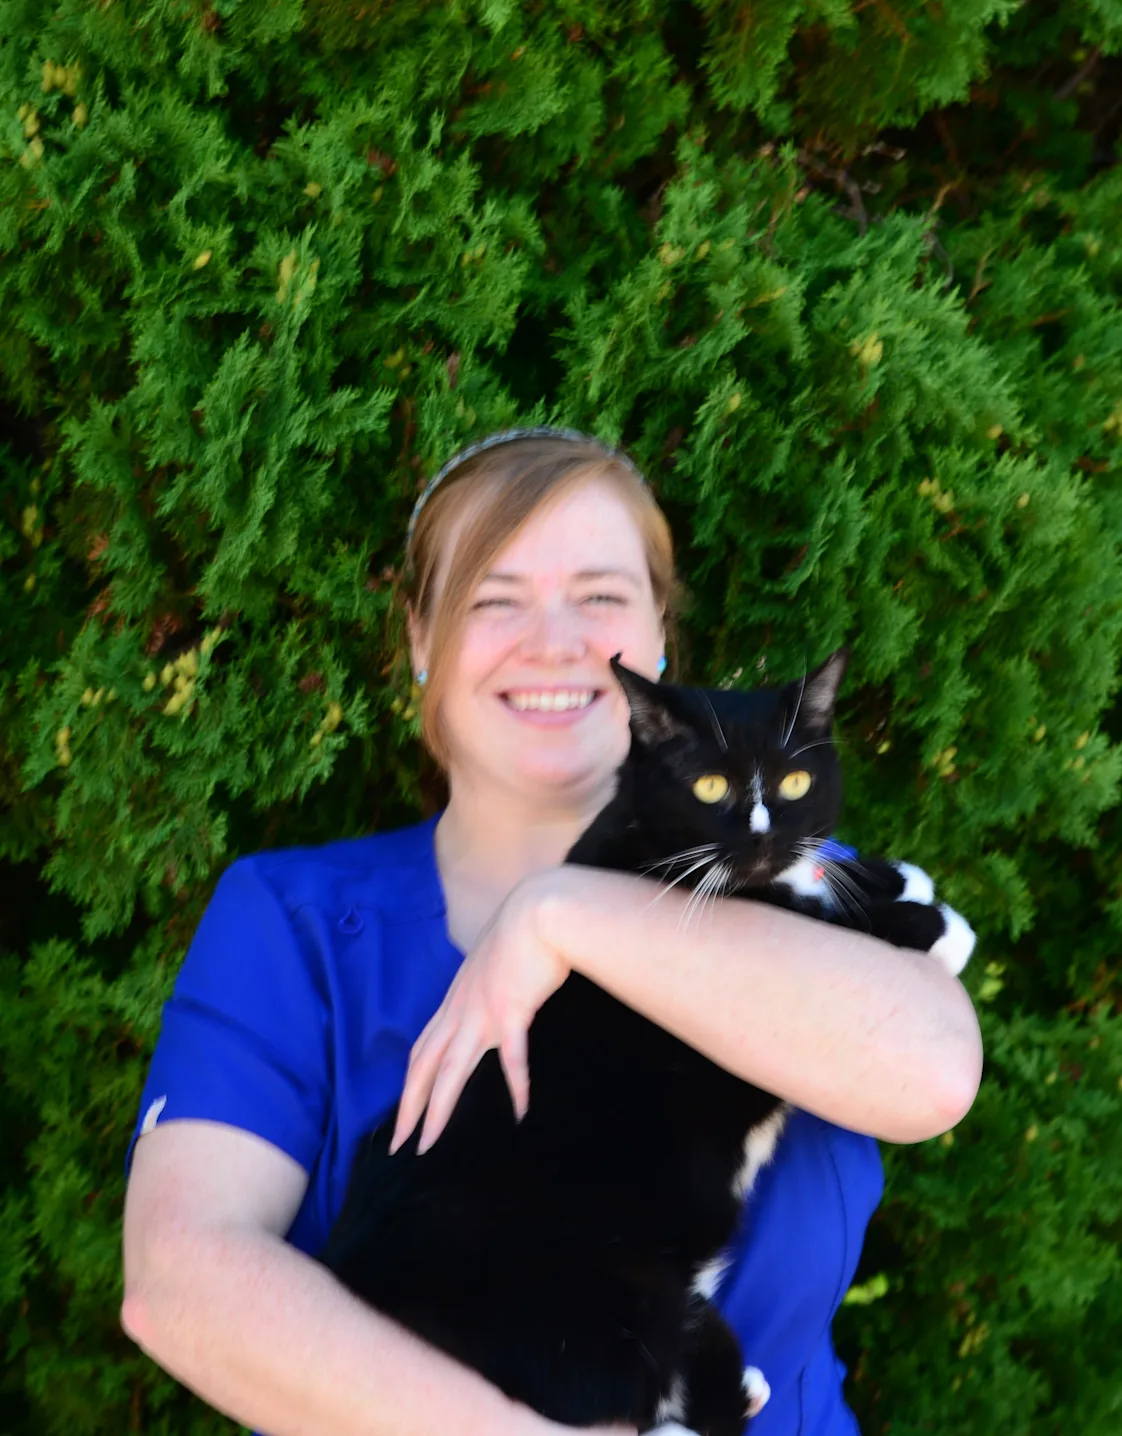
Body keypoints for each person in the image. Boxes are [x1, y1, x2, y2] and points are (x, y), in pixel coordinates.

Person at [120, 428, 983, 1436]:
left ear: (661, 637)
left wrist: (559, 909)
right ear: (418, 639)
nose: (554, 638)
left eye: (603, 595)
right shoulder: (293, 922)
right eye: (495, 598)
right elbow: (181, 1281)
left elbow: (930, 1070)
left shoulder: (792, 880)